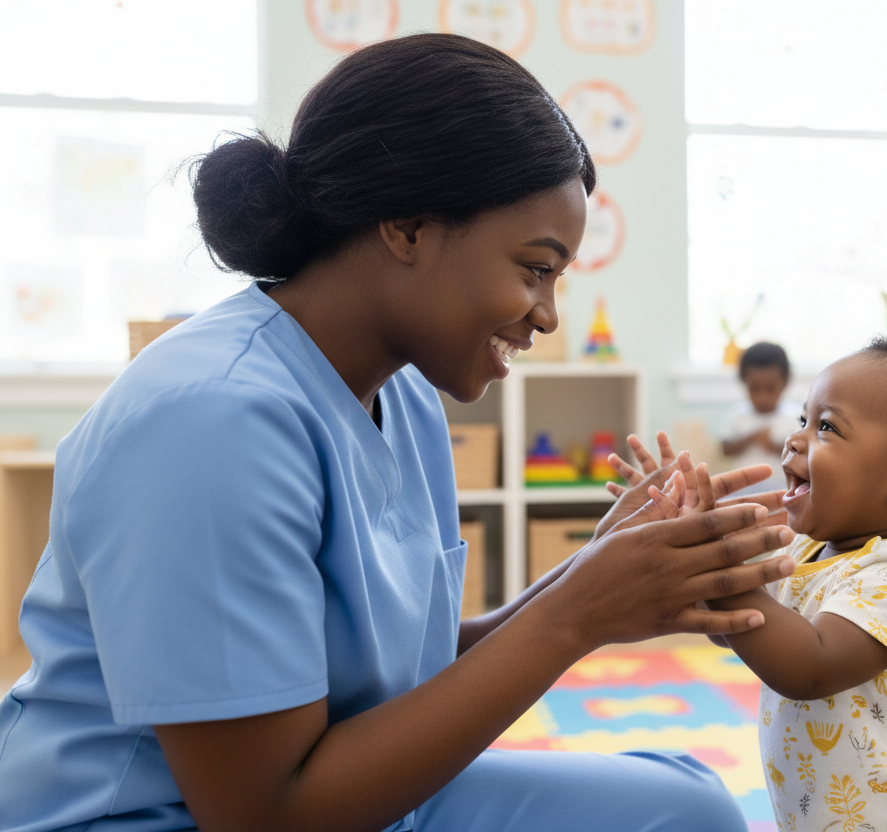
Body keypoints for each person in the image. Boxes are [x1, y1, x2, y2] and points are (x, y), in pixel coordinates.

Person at [0, 34, 801, 832]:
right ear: (408, 227)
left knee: (686, 806)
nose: (548, 316)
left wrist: (592, 575)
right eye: (535, 268)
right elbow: (263, 815)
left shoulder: (404, 395)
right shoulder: (210, 421)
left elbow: (397, 670)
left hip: (336, 790)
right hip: (167, 817)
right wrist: (575, 615)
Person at [621, 332, 887, 832]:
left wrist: (718, 556)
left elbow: (811, 668)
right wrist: (683, 539)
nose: (796, 438)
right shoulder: (805, 550)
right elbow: (739, 627)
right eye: (802, 420)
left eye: (826, 427)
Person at [719, 342, 800, 494]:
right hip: (742, 487)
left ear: (785, 383)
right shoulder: (737, 414)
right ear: (744, 381)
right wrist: (752, 438)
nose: (762, 397)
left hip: (782, 487)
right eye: (755, 388)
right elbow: (725, 450)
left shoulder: (794, 416)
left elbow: (800, 453)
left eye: (770, 389)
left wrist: (773, 446)